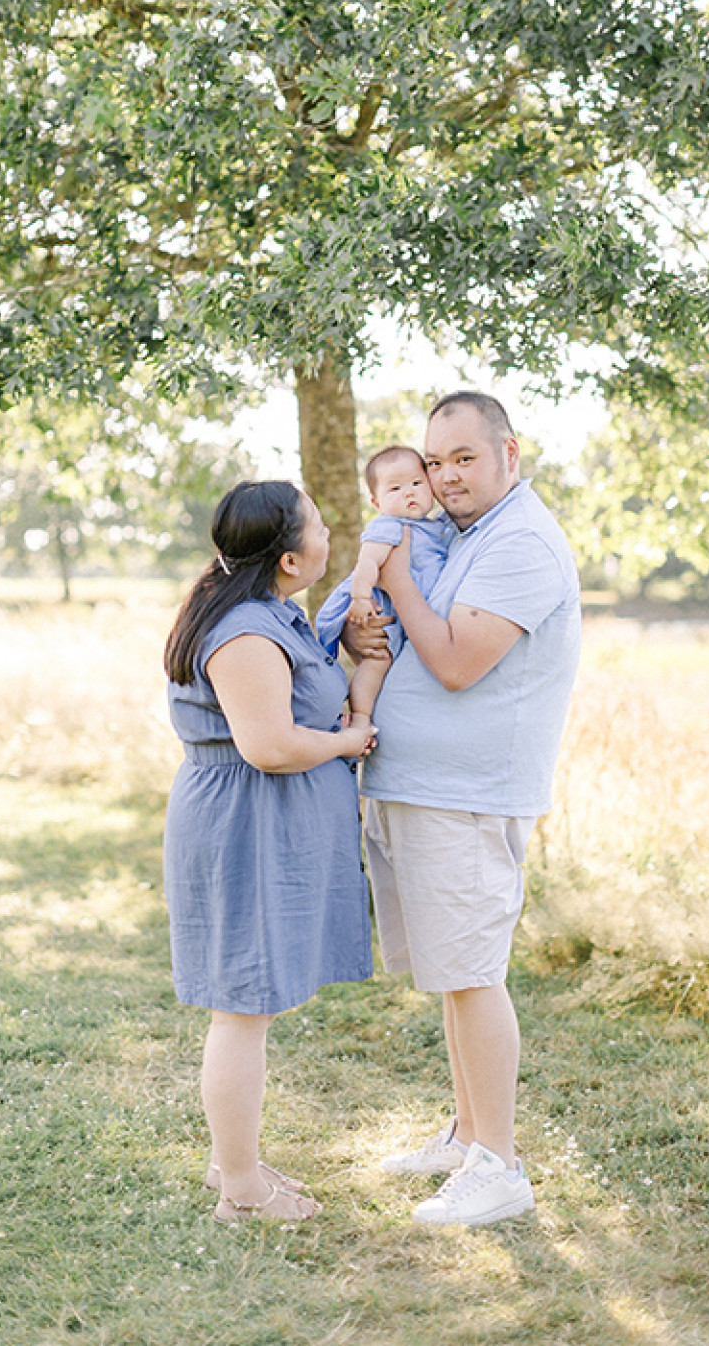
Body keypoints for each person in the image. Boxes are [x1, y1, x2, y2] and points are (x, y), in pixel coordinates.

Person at [349, 390, 582, 1227]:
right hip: (423, 789)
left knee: (475, 972)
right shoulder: (469, 535)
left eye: (464, 459)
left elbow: (452, 661)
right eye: (435, 461)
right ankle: (466, 1131)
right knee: (452, 973)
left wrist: (399, 578)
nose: (445, 476)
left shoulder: (520, 542)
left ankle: (500, 1165)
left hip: (469, 796)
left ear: (510, 454)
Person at [161, 481, 377, 1223]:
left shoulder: (269, 612)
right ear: (290, 556)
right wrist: (349, 740)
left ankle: (235, 1160)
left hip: (260, 821)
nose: (328, 531)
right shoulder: (247, 631)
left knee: (248, 1001)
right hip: (243, 825)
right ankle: (242, 1191)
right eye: (318, 524)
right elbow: (270, 744)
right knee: (242, 1007)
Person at [314, 444, 453, 726]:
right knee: (378, 661)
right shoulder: (389, 526)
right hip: (386, 606)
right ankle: (361, 717)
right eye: (395, 489)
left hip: (417, 614)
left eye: (417, 483)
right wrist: (360, 597)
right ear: (376, 503)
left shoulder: (438, 527)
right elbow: (367, 563)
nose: (409, 492)